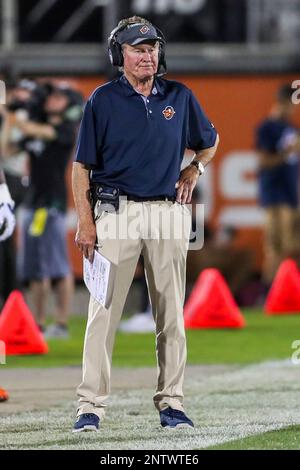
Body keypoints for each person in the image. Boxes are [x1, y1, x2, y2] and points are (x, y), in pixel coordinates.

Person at [72, 15, 219, 432]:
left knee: (172, 313)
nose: (147, 55)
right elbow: (81, 167)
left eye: (152, 47)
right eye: (138, 49)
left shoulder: (180, 95)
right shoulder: (103, 99)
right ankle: (90, 406)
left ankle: (172, 403)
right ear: (119, 56)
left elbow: (210, 142)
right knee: (103, 313)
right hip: (115, 213)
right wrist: (86, 223)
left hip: (168, 212)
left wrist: (194, 170)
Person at [14, 84, 82, 337]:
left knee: (57, 264)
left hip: (52, 203)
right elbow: (7, 148)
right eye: (51, 96)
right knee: (34, 268)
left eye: (59, 97)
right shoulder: (35, 127)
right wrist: (12, 120)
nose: (53, 100)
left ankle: (61, 323)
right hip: (32, 202)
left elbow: (37, 130)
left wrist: (10, 111)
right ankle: (39, 322)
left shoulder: (65, 129)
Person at [256, 84, 300, 286]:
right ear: (282, 102)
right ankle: (268, 292)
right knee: (277, 248)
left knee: (293, 247)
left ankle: (289, 291)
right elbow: (264, 161)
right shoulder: (267, 127)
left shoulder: (292, 128)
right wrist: (287, 151)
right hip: (276, 194)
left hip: (292, 195)